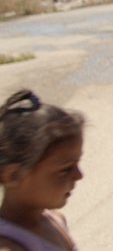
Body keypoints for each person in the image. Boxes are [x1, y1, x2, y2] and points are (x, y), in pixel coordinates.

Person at [0, 89, 84, 251]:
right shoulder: (9, 246)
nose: (79, 175)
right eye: (65, 169)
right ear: (13, 175)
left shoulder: (55, 220)